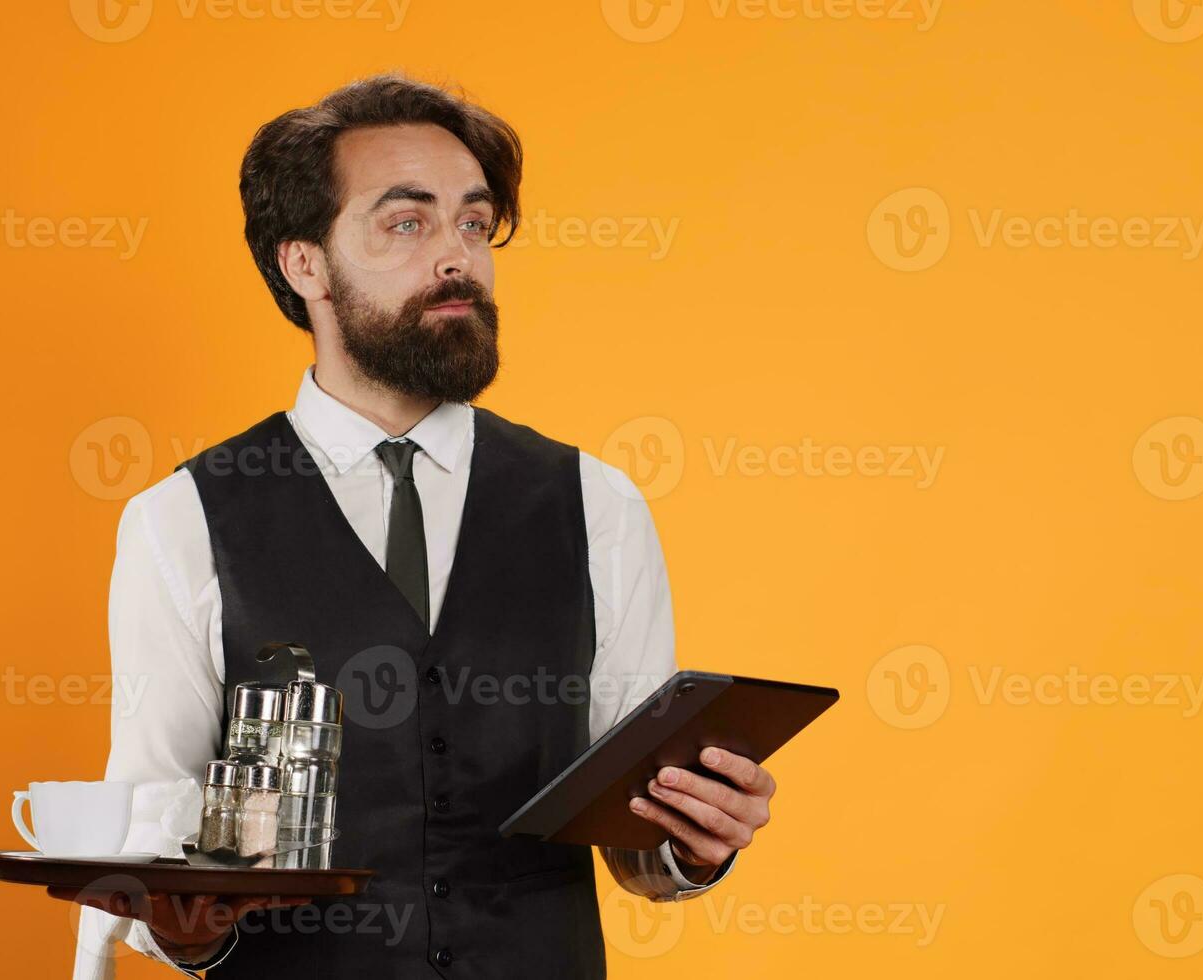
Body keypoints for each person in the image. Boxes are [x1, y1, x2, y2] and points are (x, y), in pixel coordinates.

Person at [70, 72, 778, 979]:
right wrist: (185, 920)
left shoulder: (597, 504)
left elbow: (635, 835)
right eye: (408, 223)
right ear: (305, 264)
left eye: (474, 223)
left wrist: (694, 837)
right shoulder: (181, 521)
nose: (458, 257)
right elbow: (155, 819)